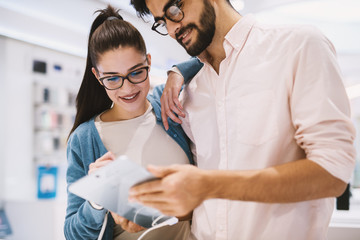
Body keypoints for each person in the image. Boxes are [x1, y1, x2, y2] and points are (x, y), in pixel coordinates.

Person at [129, 0, 357, 239]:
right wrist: (145, 207)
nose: (173, 28)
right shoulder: (190, 92)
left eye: (174, 9)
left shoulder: (298, 47)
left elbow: (333, 174)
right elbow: (202, 201)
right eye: (162, 22)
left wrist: (209, 184)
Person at [64, 5, 193, 240]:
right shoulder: (84, 139)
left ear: (149, 62)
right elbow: (73, 234)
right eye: (113, 78)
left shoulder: (168, 103)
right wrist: (95, 199)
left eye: (136, 72)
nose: (128, 88)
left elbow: (207, 59)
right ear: (97, 76)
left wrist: (177, 73)